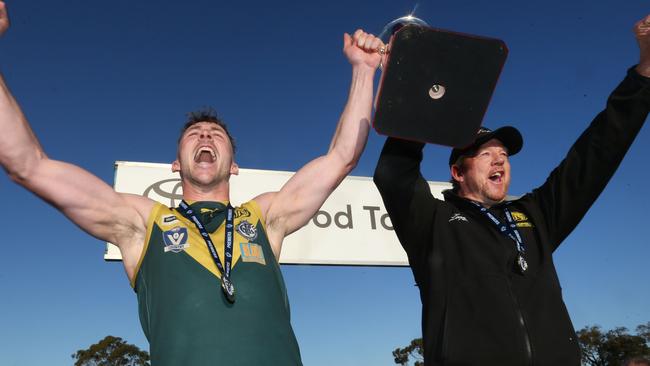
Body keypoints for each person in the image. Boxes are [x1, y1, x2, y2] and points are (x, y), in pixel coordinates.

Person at [0, 3, 383, 365]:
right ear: (174, 163)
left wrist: (364, 71)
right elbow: (28, 165)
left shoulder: (265, 217)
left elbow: (340, 157)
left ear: (233, 165)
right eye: (194, 134)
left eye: (216, 134)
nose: (204, 137)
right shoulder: (140, 222)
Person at [373, 14, 650, 366]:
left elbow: (595, 156)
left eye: (503, 154)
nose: (499, 161)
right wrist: (415, 83)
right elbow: (394, 174)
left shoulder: (536, 216)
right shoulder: (434, 224)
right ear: (457, 171)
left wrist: (645, 72)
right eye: (485, 154)